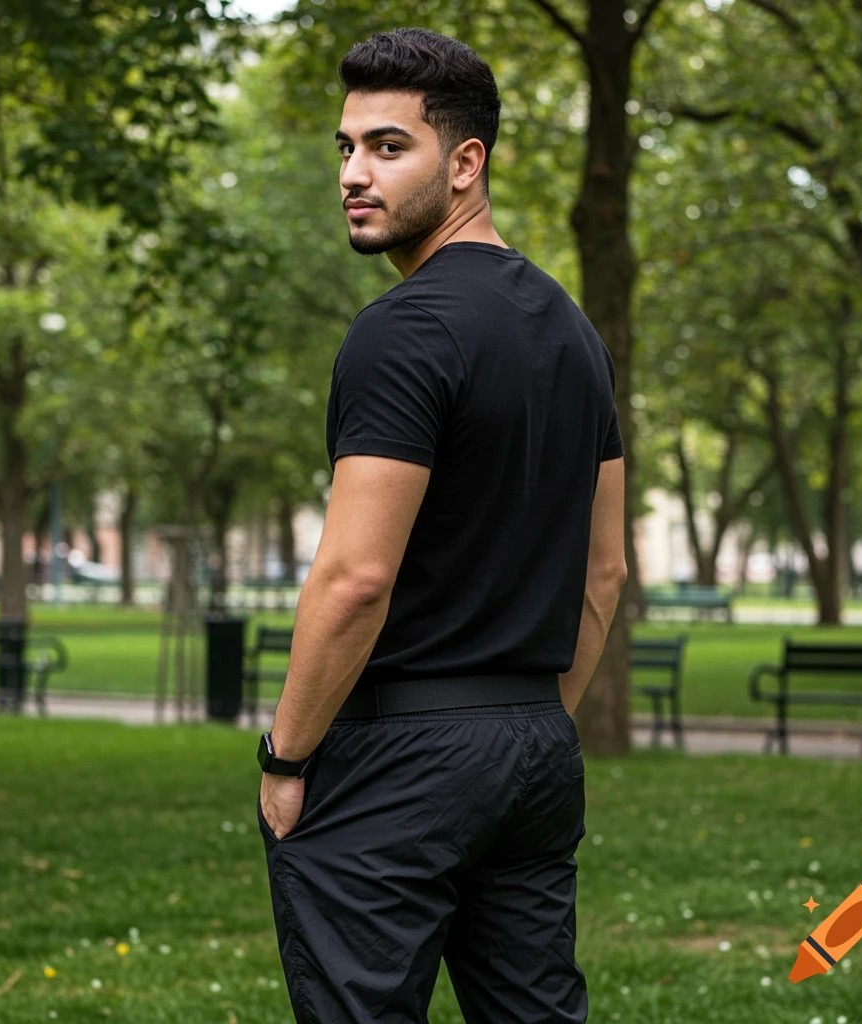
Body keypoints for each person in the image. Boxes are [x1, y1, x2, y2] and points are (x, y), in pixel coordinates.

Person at [256, 26, 627, 1024]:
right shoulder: (574, 334)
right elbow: (605, 575)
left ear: (465, 162)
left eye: (387, 146)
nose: (353, 174)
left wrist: (287, 759)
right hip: (533, 748)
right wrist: (527, 718)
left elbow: (353, 578)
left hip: (395, 756)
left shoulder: (402, 331)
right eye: (344, 148)